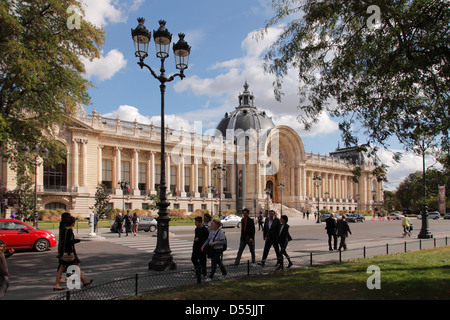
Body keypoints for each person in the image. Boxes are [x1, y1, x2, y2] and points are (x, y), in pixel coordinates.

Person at [54, 215, 93, 290]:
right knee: (75, 266)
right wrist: (78, 240)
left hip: (64, 252)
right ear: (72, 223)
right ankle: (82, 281)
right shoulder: (69, 231)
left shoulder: (63, 230)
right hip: (70, 252)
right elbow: (69, 242)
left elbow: (63, 242)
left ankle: (57, 284)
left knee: (62, 268)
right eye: (74, 222)